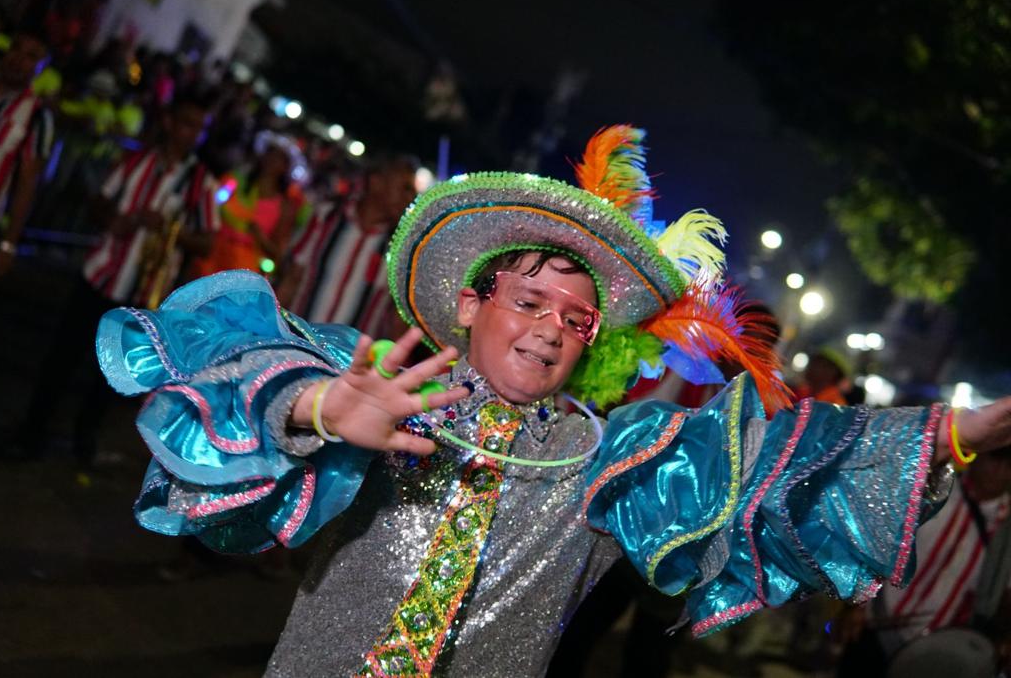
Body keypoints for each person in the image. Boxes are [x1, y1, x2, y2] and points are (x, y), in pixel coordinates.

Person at [95, 126, 1011, 676]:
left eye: (577, 320)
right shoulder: (383, 381)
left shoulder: (614, 456)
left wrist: (954, 429)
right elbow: (228, 361)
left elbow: (785, 465)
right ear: (471, 303)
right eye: (529, 302)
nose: (550, 329)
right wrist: (318, 411)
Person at [10, 92, 217, 466]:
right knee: (63, 357)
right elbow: (98, 201)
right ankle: (32, 432)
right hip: (101, 274)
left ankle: (83, 440)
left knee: (113, 376)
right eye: (186, 123)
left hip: (143, 293)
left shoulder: (200, 184)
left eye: (198, 129)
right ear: (170, 122)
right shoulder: (137, 159)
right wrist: (114, 219)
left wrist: (174, 230)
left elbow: (206, 241)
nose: (190, 134)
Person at [835, 447, 1011, 676]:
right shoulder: (933, 487)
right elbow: (879, 542)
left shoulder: (1007, 532)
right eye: (996, 457)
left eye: (1010, 464)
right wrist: (855, 605)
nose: (1001, 470)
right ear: (976, 455)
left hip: (936, 655)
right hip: (874, 629)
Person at [279, 153, 417, 339]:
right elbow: (292, 278)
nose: (411, 198)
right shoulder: (326, 217)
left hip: (348, 364)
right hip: (297, 346)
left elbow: (396, 321)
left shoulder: (402, 250)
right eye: (405, 188)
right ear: (376, 183)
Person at [191, 131, 304, 277]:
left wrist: (259, 236)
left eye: (279, 158)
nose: (272, 160)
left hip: (241, 275)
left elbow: (278, 253)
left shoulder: (284, 207)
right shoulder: (234, 182)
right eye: (270, 153)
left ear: (286, 167)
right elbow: (211, 206)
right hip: (210, 260)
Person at [0, 29, 53, 277]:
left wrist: (7, 244)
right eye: (16, 49)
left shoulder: (37, 117)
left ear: (40, 68)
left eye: (31, 56)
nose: (18, 59)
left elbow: (27, 183)